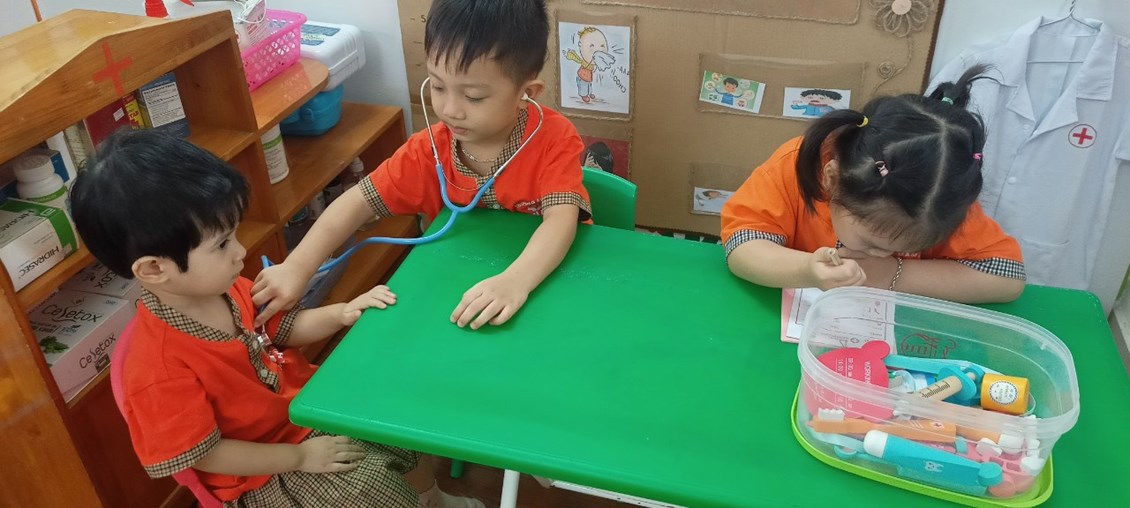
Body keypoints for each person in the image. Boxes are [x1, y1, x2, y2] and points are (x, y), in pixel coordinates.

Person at [70, 130, 483, 508]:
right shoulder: (157, 368)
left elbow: (280, 330)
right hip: (263, 472)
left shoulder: (225, 287)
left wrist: (342, 313)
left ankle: (433, 500)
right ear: (153, 269)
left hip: (303, 411)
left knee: (400, 416)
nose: (240, 252)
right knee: (371, 489)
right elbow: (205, 454)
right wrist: (299, 457)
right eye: (221, 245)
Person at [252, 0, 591, 330]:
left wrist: (515, 281)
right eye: (438, 86)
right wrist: (298, 266)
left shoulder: (553, 138)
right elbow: (357, 202)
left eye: (473, 96)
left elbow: (560, 221)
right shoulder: (428, 150)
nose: (450, 109)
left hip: (546, 279)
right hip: (461, 285)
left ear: (527, 92)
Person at [721, 65, 1026, 303]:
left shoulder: (940, 197)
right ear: (831, 180)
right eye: (872, 244)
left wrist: (894, 274)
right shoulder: (796, 164)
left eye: (905, 249)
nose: (879, 255)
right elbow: (742, 245)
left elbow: (1007, 279)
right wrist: (807, 270)